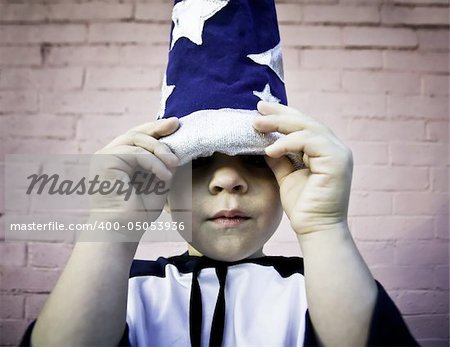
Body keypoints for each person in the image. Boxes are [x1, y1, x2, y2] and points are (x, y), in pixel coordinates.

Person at [21, 0, 418, 345]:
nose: (227, 180)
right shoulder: (124, 292)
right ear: (162, 183)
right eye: (198, 161)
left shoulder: (318, 291)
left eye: (255, 159)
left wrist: (324, 228)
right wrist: (111, 229)